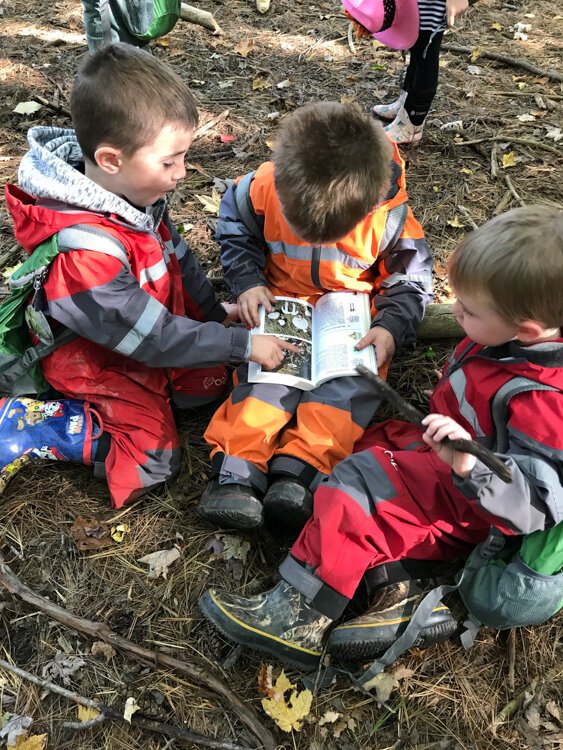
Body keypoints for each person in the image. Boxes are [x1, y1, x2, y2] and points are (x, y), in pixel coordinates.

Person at [199, 205, 563, 670]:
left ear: (528, 330)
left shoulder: (544, 399)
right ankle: (395, 589)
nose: (454, 311)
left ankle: (299, 613)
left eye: (468, 311)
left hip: (475, 495)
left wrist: (469, 463)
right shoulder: (513, 341)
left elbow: (538, 499)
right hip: (443, 451)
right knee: (373, 443)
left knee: (361, 480)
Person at [2, 43, 293, 508]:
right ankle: (35, 421)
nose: (181, 172)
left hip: (141, 331)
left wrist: (217, 315)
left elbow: (180, 266)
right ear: (112, 159)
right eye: (169, 162)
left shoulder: (134, 198)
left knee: (212, 381)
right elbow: (150, 338)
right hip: (97, 359)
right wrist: (238, 343)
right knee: (152, 460)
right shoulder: (86, 254)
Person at [197, 101, 433, 531]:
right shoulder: (260, 188)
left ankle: (300, 470)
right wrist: (248, 282)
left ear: (367, 207)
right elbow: (236, 232)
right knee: (264, 382)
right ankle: (236, 471)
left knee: (346, 392)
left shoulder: (390, 214)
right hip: (279, 302)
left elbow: (409, 281)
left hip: (352, 320)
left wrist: (390, 327)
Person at [371, 0, 479, 144]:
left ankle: (412, 123)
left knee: (425, 57)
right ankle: (405, 105)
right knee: (416, 51)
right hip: (417, 5)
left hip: (433, 6)